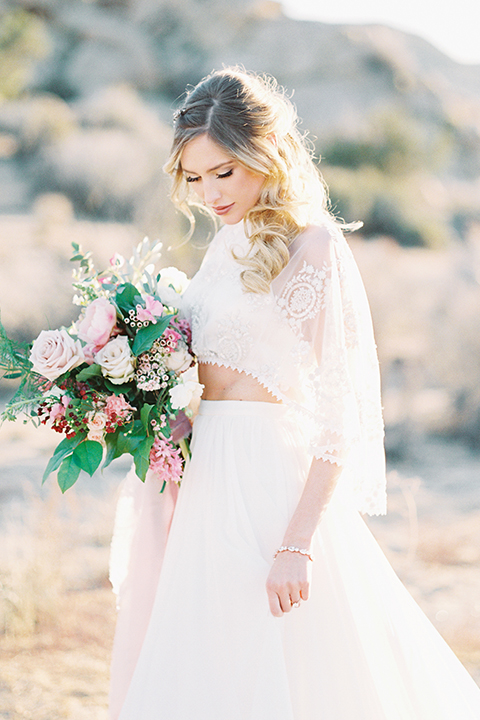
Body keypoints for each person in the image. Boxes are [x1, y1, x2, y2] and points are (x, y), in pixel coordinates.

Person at [108, 68, 480, 719]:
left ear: (265, 151)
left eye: (224, 171)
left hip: (269, 482)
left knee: (291, 665)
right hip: (204, 478)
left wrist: (296, 542)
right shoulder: (223, 246)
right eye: (196, 178)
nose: (210, 193)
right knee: (208, 661)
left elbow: (340, 416)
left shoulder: (313, 247)